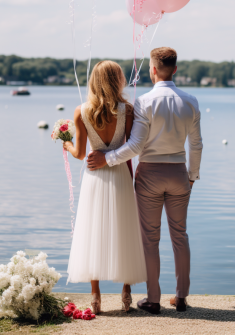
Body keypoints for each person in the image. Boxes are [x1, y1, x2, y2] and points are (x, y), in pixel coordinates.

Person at [87, 47, 203, 314]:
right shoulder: (191, 101)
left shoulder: (144, 102)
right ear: (175, 69)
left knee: (150, 239)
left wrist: (108, 159)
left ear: (152, 70)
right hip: (179, 173)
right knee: (180, 235)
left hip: (150, 174)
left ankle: (153, 299)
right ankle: (182, 297)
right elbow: (196, 145)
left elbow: (137, 145)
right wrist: (192, 177)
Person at [63, 61, 147, 314]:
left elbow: (79, 153)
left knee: (93, 230)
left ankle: (96, 296)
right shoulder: (128, 110)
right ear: (117, 80)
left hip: (95, 177)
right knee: (125, 228)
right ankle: (126, 292)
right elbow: (130, 148)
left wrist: (64, 142)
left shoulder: (82, 111)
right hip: (120, 174)